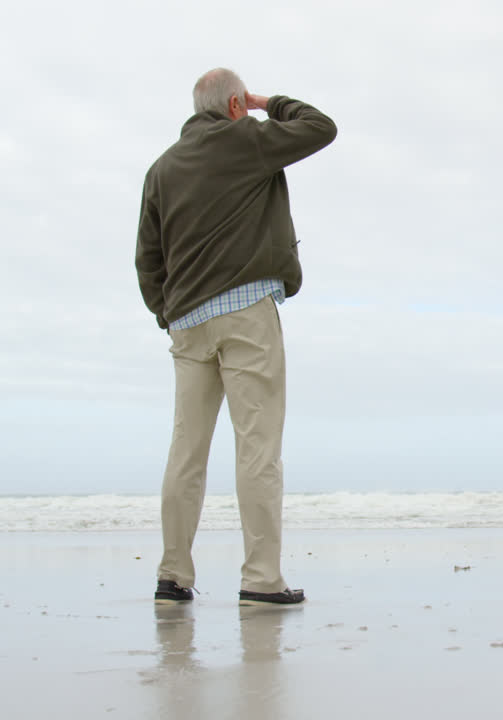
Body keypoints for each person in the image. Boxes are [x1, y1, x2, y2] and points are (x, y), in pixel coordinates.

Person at [135, 68, 336, 606]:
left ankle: (172, 577)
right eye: (240, 104)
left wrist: (168, 313)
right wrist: (266, 102)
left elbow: (148, 260)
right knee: (258, 449)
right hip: (246, 311)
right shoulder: (244, 138)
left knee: (186, 451)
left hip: (188, 325)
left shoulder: (161, 169)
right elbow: (320, 126)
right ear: (231, 106)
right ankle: (260, 580)